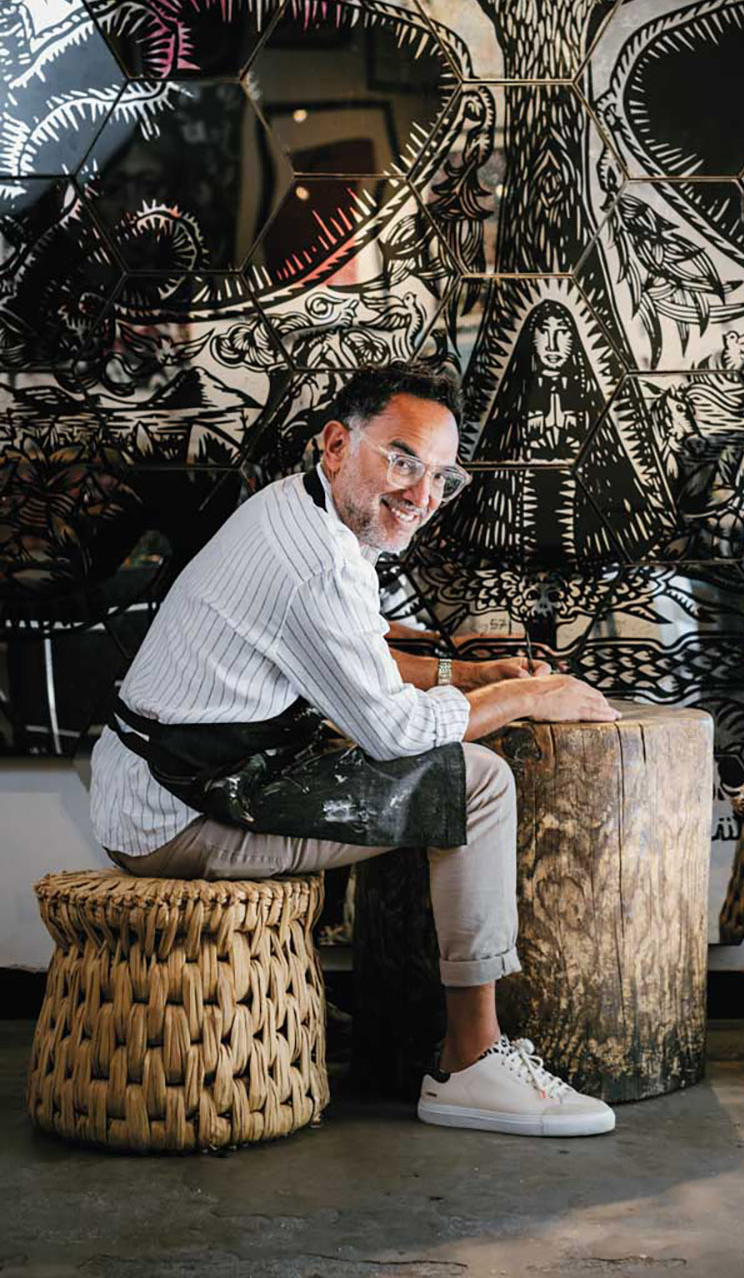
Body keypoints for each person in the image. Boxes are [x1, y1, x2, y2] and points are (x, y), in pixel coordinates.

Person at [89, 360, 620, 1137]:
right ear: (337, 443)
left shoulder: (293, 507)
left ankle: (393, 1022)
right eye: (402, 460)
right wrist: (529, 696)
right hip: (175, 813)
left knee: (429, 757)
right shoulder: (315, 564)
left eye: (441, 476)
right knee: (479, 783)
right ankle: (472, 1064)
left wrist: (466, 672)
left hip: (155, 780)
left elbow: (350, 653)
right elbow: (398, 731)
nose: (423, 497)